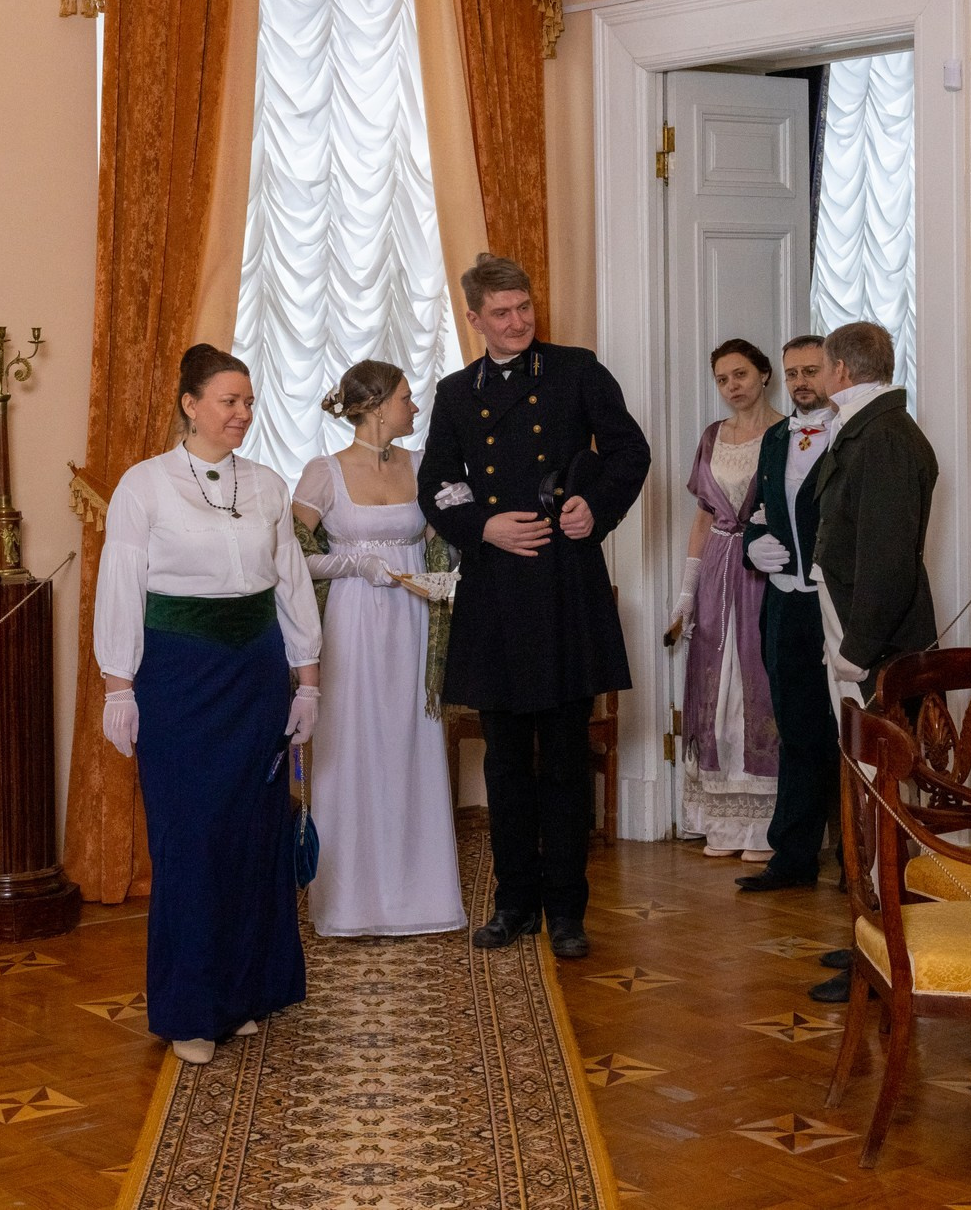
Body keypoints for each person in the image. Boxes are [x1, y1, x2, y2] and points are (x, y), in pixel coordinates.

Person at [93, 345, 324, 1065]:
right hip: (179, 678)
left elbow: (290, 584)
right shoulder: (145, 485)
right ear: (190, 404)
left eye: (249, 402)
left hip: (255, 674)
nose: (242, 414)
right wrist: (117, 684)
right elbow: (121, 583)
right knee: (191, 841)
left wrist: (307, 680)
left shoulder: (266, 484)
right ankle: (191, 1009)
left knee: (255, 838)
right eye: (228, 400)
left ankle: (246, 994)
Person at [420, 253, 650, 962]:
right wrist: (481, 526)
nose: (518, 322)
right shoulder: (457, 394)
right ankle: (513, 903)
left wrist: (594, 509)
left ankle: (568, 911)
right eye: (502, 313)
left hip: (563, 587)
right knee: (505, 764)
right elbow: (438, 483)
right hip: (494, 593)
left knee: (565, 762)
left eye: (524, 308)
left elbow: (629, 453)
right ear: (474, 319)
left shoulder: (578, 370)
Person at [292, 359, 466, 939]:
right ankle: (350, 901)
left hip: (415, 619)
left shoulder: (424, 466)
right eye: (405, 398)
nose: (414, 408)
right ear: (374, 405)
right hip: (354, 622)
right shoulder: (324, 473)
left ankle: (419, 893)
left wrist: (448, 563)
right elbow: (293, 558)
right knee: (355, 743)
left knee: (410, 741)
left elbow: (449, 535)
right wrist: (358, 565)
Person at [802, 320, 939, 1004]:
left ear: (844, 371)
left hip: (875, 648)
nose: (817, 377)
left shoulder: (882, 437)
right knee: (867, 796)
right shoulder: (869, 429)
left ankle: (890, 951)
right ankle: (873, 936)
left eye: (822, 366)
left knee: (884, 801)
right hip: (859, 639)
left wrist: (856, 652)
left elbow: (886, 557)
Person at [665, 339, 782, 859]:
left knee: (759, 683)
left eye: (740, 375)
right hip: (716, 569)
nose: (732, 386)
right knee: (716, 689)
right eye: (721, 379)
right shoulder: (713, 437)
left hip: (764, 570)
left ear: (764, 375)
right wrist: (684, 597)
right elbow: (704, 517)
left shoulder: (786, 433)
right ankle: (720, 823)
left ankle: (764, 830)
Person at [734, 336, 840, 892]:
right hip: (783, 601)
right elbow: (764, 508)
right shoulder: (777, 436)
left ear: (834, 371)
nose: (801, 381)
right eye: (792, 371)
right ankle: (793, 856)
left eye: (811, 370)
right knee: (795, 727)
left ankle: (857, 863)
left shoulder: (850, 433)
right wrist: (754, 543)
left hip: (834, 604)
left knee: (844, 733)